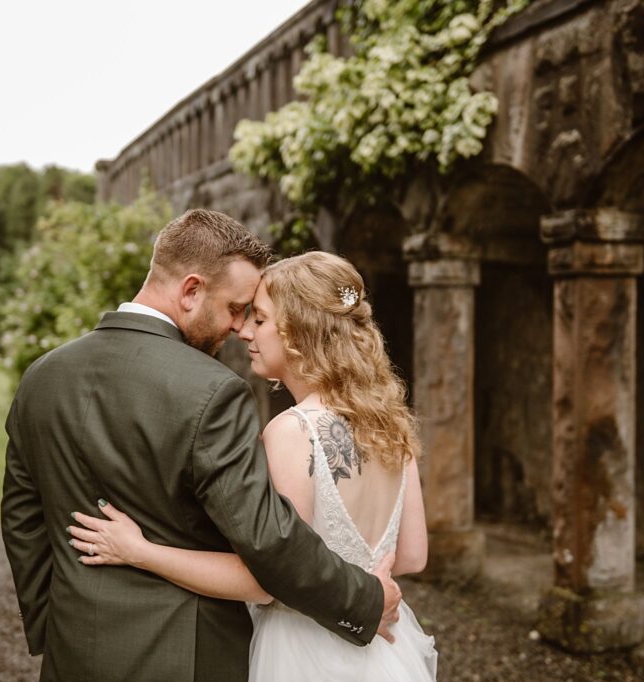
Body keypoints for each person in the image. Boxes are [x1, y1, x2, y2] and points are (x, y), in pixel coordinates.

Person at [1, 210, 401, 682]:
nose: (239, 327)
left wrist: (55, 622)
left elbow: (21, 519)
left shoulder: (43, 376)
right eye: (235, 308)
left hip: (72, 650)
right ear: (191, 291)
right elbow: (268, 538)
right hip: (186, 658)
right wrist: (364, 601)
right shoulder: (212, 390)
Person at [69, 250, 438, 681]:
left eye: (259, 319)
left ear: (299, 332)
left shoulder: (293, 431)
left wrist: (139, 551)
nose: (243, 331)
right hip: (385, 653)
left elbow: (262, 580)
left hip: (303, 652)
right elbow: (412, 556)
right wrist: (364, 584)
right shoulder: (390, 425)